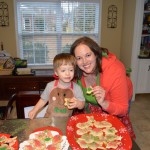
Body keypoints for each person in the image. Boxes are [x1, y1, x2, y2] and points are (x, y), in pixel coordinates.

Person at [70, 36, 135, 139]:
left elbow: (122, 109)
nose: (84, 62)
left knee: (113, 133)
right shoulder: (74, 71)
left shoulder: (114, 70)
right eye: (79, 58)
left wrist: (104, 103)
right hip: (94, 105)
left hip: (117, 100)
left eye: (88, 55)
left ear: (96, 54)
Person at [28, 53, 85, 119]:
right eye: (63, 70)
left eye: (71, 70)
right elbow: (43, 100)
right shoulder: (50, 86)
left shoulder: (77, 88)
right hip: (49, 119)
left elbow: (82, 105)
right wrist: (34, 110)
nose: (67, 73)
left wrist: (78, 104)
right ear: (56, 73)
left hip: (66, 121)